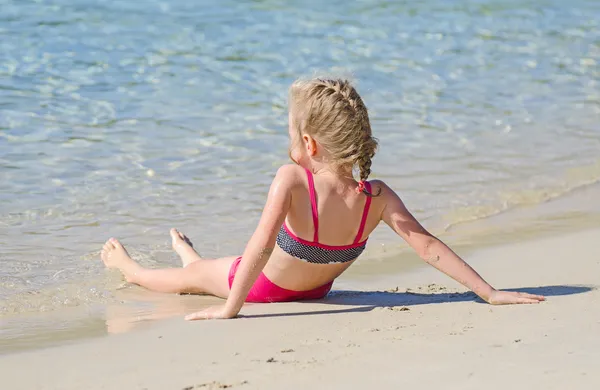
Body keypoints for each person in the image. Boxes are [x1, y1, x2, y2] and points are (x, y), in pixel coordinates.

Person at [100, 78, 545, 321]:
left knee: (192, 278)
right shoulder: (377, 196)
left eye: (290, 134)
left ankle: (133, 267)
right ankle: (188, 254)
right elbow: (427, 246)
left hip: (262, 288)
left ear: (309, 145)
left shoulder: (292, 178)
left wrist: (230, 311)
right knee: (203, 270)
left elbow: (258, 249)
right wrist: (488, 292)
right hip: (316, 290)